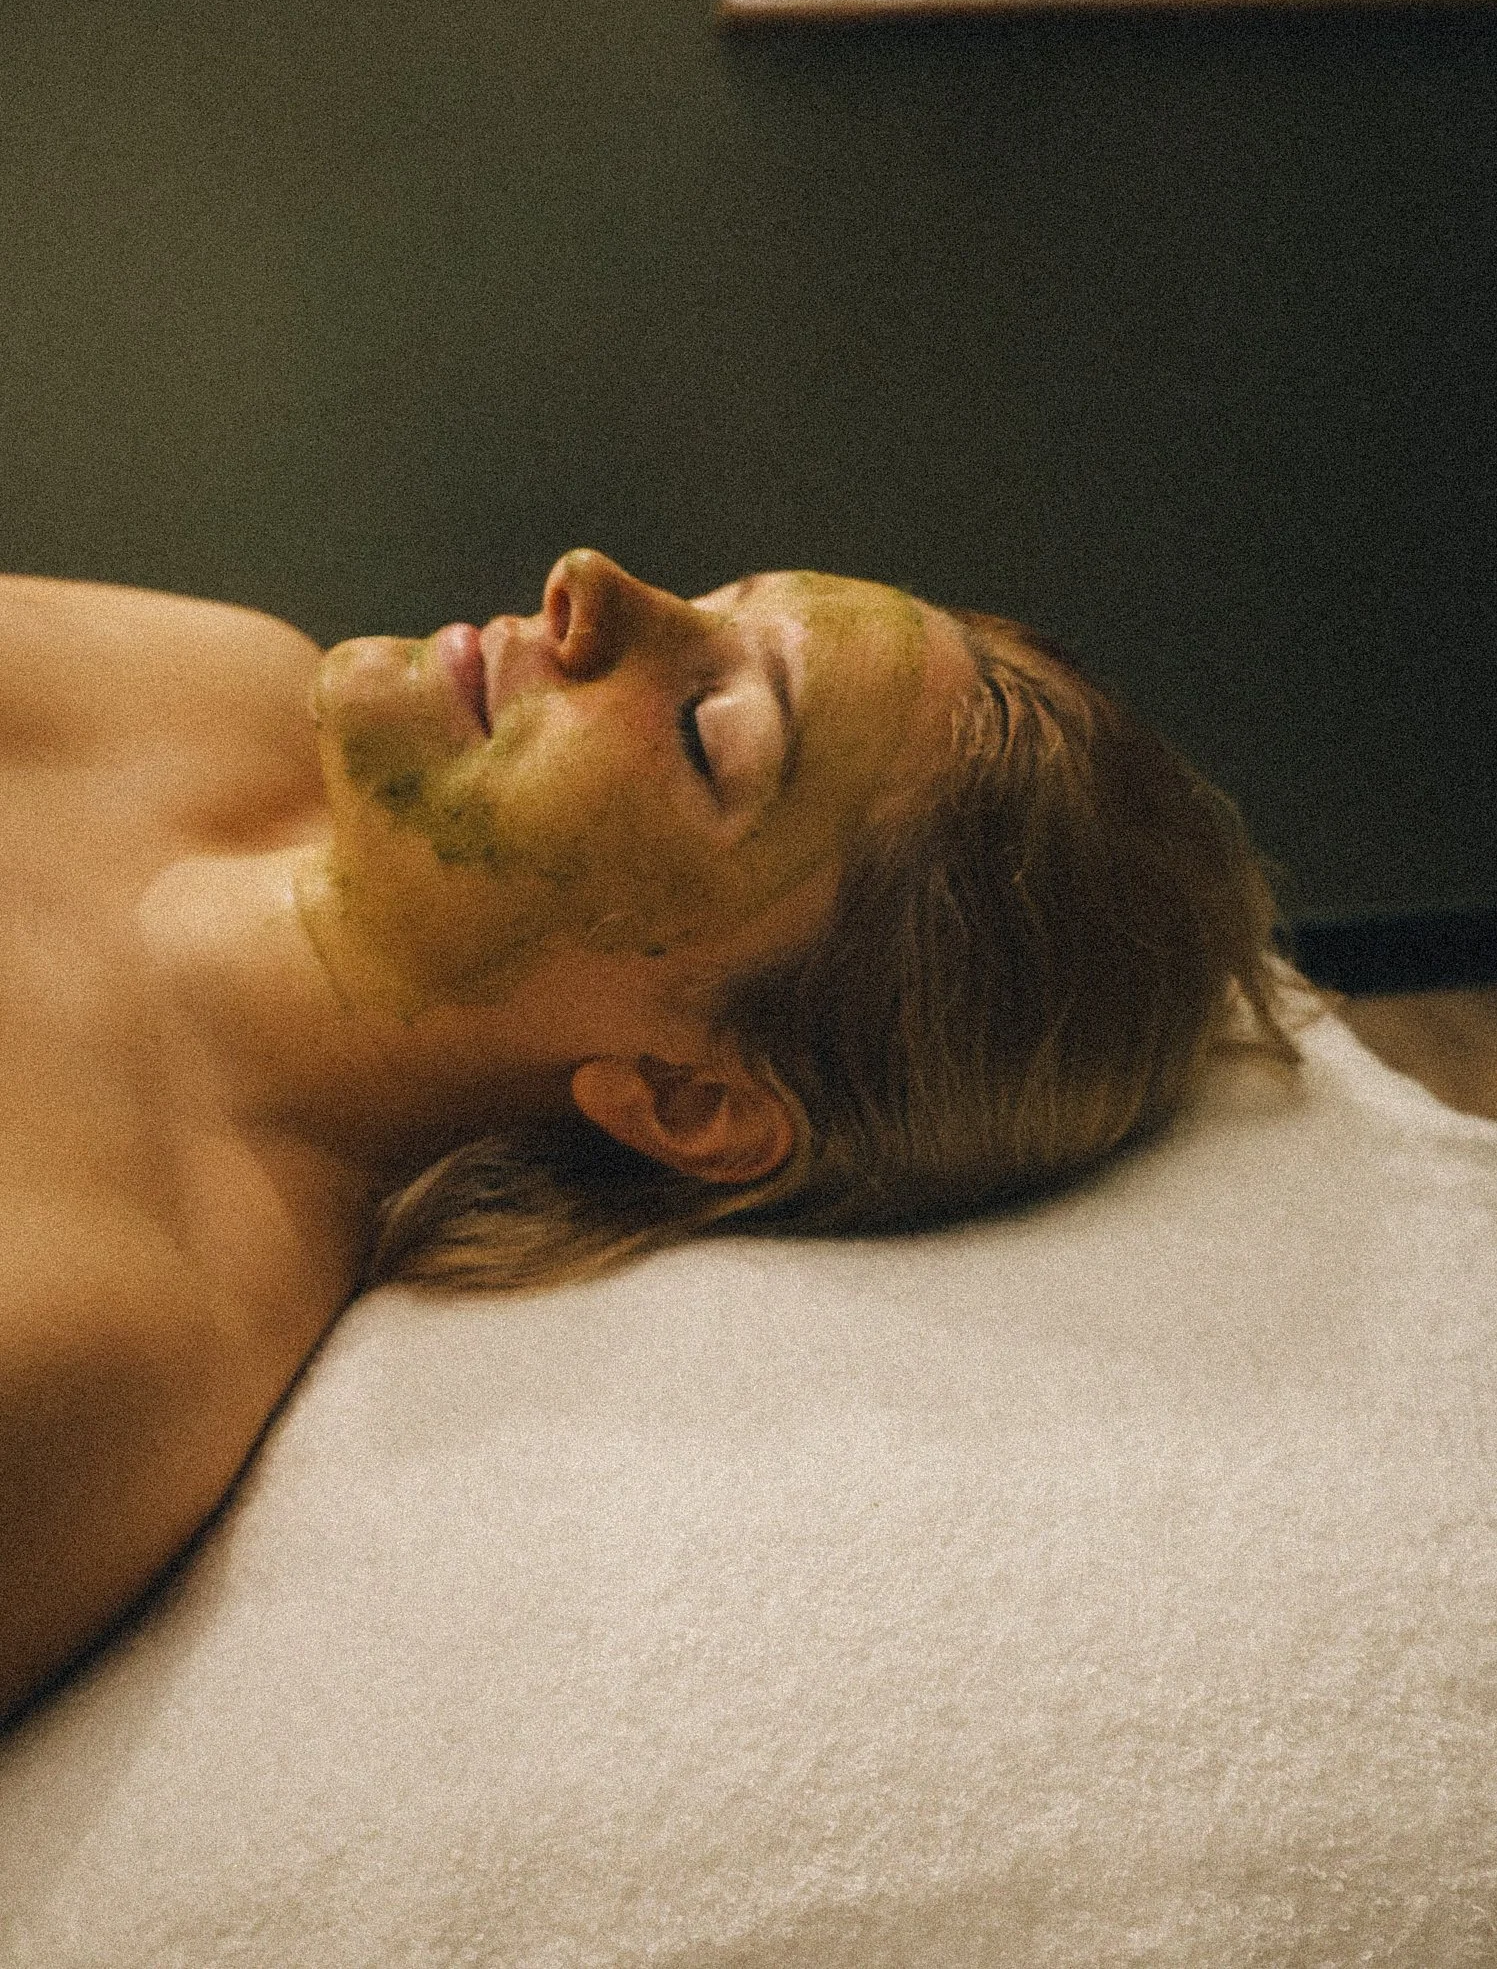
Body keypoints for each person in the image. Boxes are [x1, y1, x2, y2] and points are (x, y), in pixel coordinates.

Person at [0, 550, 1310, 1724]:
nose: (590, 584)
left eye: (708, 734)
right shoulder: (222, 683)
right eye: (713, 599)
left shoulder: (95, 1325)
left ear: (695, 1101)